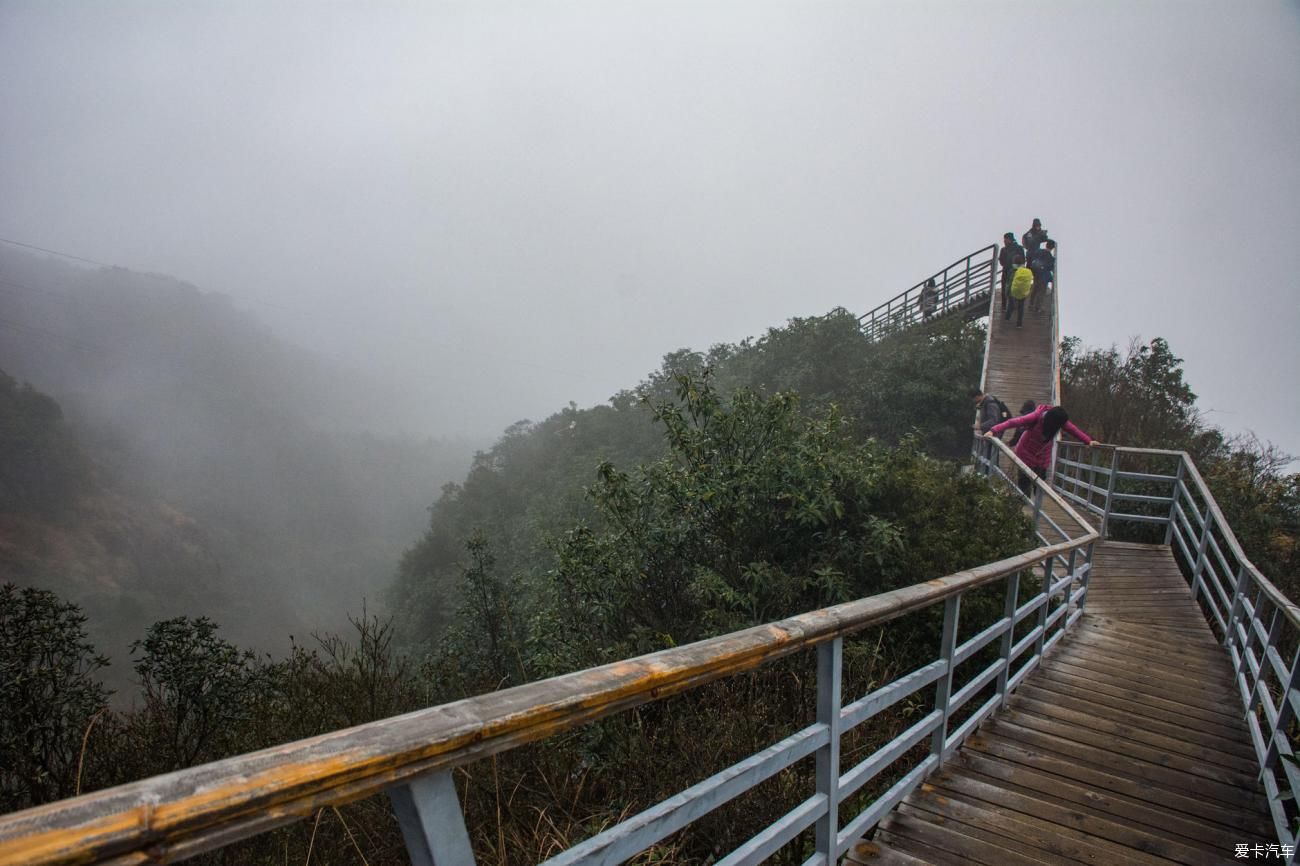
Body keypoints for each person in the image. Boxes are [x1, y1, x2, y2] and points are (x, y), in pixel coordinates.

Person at [985, 404, 1099, 495]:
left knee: (1039, 483)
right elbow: (1014, 422)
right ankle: (1024, 505)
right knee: (1024, 484)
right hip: (1025, 452)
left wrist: (1088, 441)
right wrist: (993, 430)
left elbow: (1074, 430)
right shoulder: (1036, 417)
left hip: (1042, 455)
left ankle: (1035, 504)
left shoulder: (1059, 420)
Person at [1029, 239, 1056, 313]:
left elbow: (1033, 258)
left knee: (1035, 288)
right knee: (1041, 292)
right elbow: (1050, 267)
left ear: (1046, 245)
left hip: (1036, 273)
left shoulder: (1039, 251)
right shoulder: (1051, 258)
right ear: (1052, 248)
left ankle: (1031, 303)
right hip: (1043, 276)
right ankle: (1038, 308)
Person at [1005, 254, 1033, 328]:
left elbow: (1008, 281)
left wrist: (1006, 292)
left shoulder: (1012, 270)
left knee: (1010, 305)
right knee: (1021, 307)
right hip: (1023, 291)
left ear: (1014, 261)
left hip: (1013, 290)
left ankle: (1007, 317)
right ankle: (1019, 324)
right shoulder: (1026, 271)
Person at [998, 232, 1024, 310]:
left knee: (1008, 288)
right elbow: (1023, 260)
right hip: (1012, 270)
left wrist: (1007, 265)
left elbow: (1001, 261)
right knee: (1011, 288)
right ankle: (1009, 305)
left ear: (1010, 239)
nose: (1004, 241)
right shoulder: (1018, 248)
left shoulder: (1005, 249)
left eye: (1005, 239)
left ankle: (1006, 305)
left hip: (1011, 271)